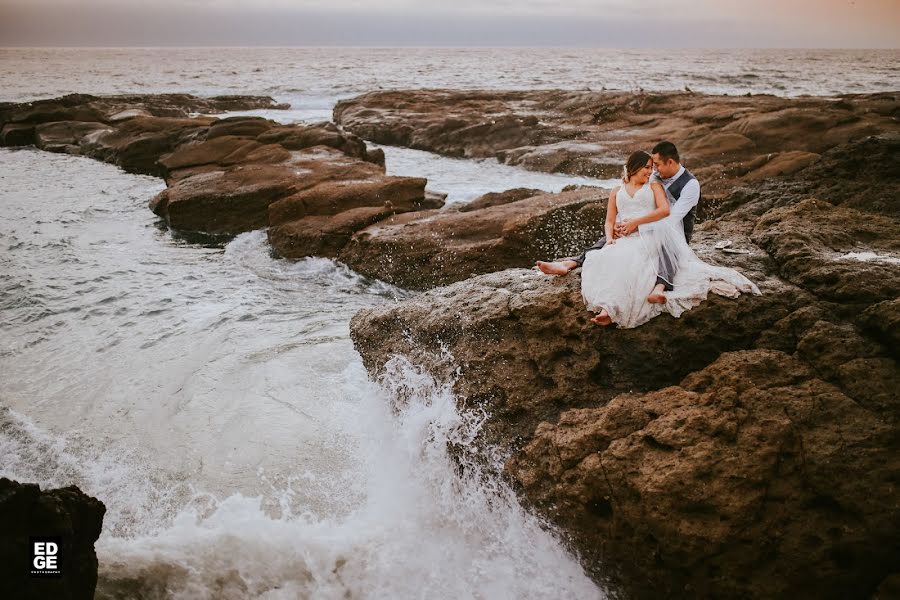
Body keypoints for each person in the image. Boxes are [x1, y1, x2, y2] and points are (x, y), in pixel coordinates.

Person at [576, 150, 759, 328]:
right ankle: (607, 308)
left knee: (632, 264)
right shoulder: (617, 190)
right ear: (634, 167)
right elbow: (609, 221)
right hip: (625, 237)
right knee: (607, 259)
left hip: (650, 235)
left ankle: (627, 302)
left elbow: (665, 211)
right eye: (647, 167)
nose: (651, 171)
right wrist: (610, 238)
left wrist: (637, 224)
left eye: (652, 167)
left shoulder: (655, 186)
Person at [536, 141, 700, 305]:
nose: (653, 170)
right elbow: (634, 197)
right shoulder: (654, 176)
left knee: (660, 240)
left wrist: (635, 225)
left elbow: (670, 219)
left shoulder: (690, 185)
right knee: (615, 234)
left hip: (675, 233)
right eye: (651, 166)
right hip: (646, 224)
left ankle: (661, 286)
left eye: (656, 165)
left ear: (670, 162)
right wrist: (622, 225)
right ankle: (570, 263)